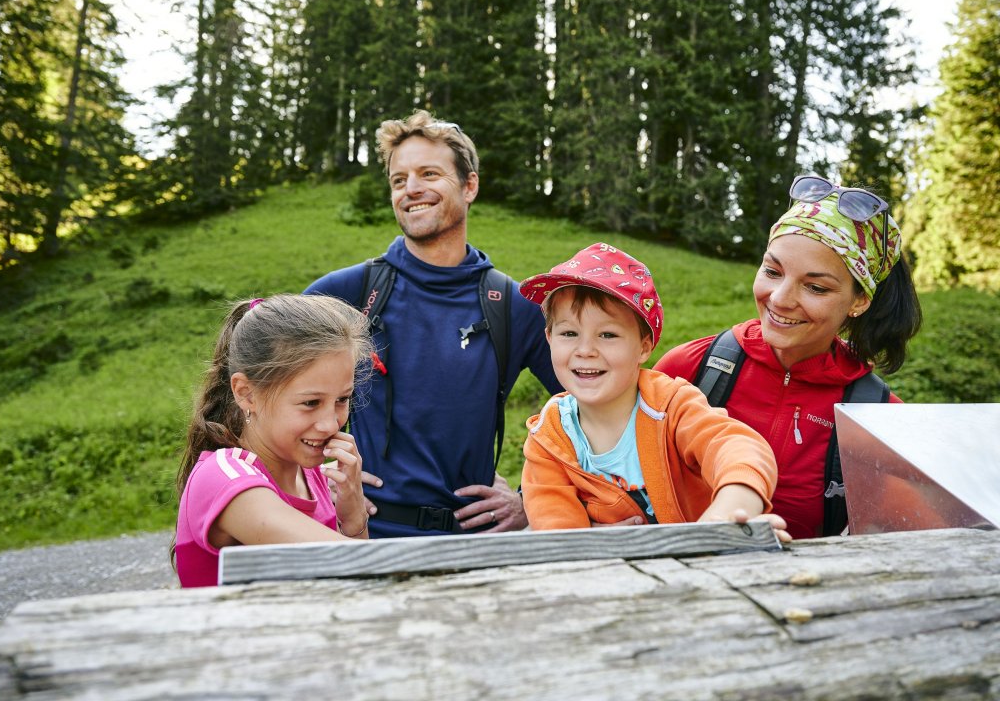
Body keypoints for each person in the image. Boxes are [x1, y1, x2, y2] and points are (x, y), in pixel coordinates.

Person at [304, 110, 561, 538]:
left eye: (429, 173)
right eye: (399, 180)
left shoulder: (513, 306)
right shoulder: (344, 293)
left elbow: (594, 407)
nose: (412, 190)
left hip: (472, 548)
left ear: (470, 185)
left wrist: (531, 499)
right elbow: (267, 398)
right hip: (364, 539)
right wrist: (311, 479)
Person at [655, 175, 922, 539]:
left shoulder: (877, 416)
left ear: (859, 301)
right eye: (772, 271)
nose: (780, 298)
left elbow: (909, 538)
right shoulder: (692, 367)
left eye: (815, 287)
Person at [518, 242, 788, 539]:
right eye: (569, 333)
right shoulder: (548, 439)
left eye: (608, 334)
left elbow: (735, 446)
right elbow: (558, 537)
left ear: (644, 346)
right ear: (549, 338)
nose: (585, 350)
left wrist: (728, 512)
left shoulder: (671, 406)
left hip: (704, 561)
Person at [172, 294, 374, 587]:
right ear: (246, 393)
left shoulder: (310, 474)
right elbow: (359, 564)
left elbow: (359, 586)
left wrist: (354, 517)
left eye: (342, 399)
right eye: (311, 403)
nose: (331, 423)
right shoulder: (225, 478)